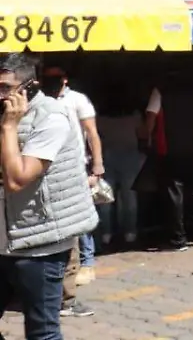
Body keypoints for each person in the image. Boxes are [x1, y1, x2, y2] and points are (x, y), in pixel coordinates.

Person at [0, 54, 99, 339]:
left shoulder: (51, 117)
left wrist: (8, 127)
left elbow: (17, 179)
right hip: (4, 239)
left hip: (38, 245)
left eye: (6, 88)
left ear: (29, 87)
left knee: (42, 331)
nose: (0, 95)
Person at [41, 64, 103, 313]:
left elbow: (91, 133)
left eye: (56, 77)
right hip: (46, 172)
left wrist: (97, 165)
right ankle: (63, 298)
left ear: (65, 79)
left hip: (74, 171)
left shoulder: (77, 100)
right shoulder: (37, 101)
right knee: (66, 236)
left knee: (75, 229)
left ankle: (84, 268)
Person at [142, 64, 193, 250]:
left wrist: (147, 139)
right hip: (192, 147)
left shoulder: (160, 92)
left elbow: (150, 119)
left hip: (169, 149)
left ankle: (178, 238)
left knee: (174, 193)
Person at [95, 85, 145, 249]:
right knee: (129, 197)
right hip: (130, 156)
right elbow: (143, 134)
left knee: (105, 198)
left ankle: (106, 233)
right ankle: (130, 232)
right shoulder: (135, 116)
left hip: (107, 156)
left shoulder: (100, 118)